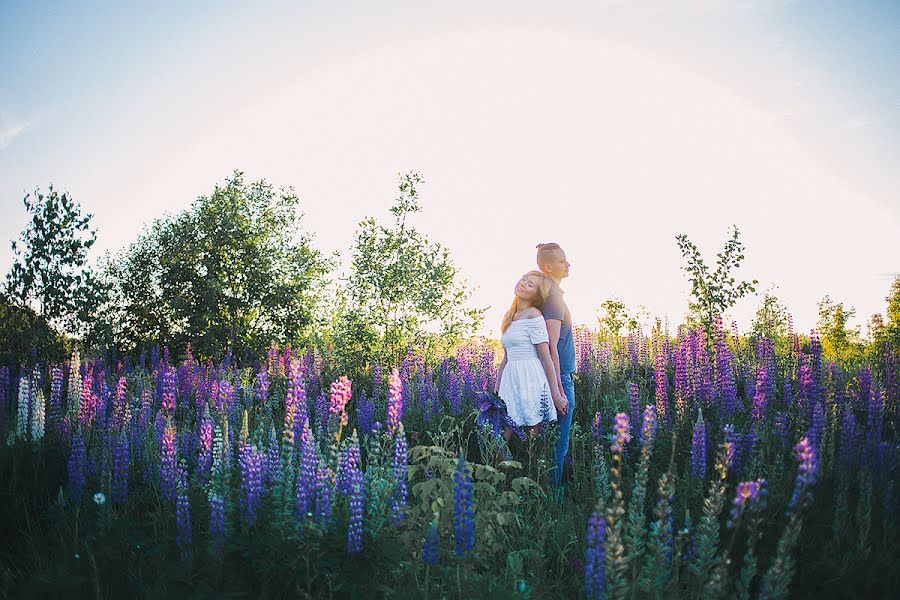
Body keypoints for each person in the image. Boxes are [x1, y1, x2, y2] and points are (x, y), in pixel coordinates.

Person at [493, 271, 569, 438]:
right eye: (524, 279)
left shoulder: (534, 315)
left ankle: (530, 464)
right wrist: (496, 391)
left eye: (530, 284)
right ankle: (501, 465)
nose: (523, 284)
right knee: (501, 436)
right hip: (511, 379)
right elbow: (506, 359)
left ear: (536, 295)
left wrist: (556, 394)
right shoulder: (509, 317)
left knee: (532, 439)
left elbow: (545, 357)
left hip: (530, 378)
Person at [536, 242, 575, 488]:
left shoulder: (547, 294)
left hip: (555, 376)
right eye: (562, 261)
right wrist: (558, 389)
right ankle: (554, 504)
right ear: (549, 267)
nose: (568, 264)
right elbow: (551, 345)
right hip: (559, 377)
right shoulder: (553, 297)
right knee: (558, 448)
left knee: (552, 445)